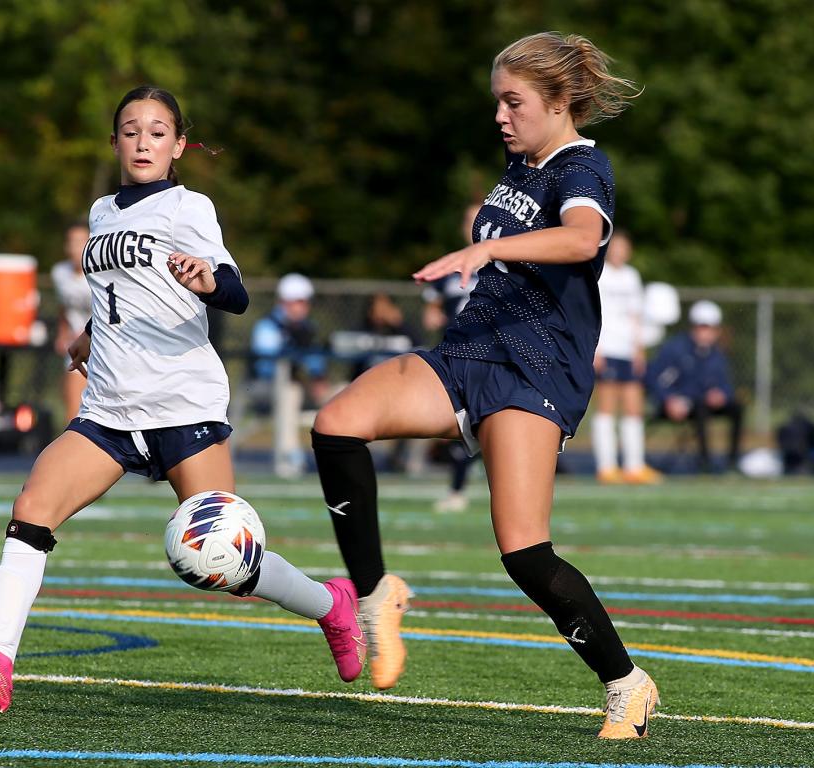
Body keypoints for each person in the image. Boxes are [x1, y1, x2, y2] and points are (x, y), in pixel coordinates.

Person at [0, 86, 365, 714]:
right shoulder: (101, 210)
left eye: (158, 132)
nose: (143, 142)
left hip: (182, 407)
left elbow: (238, 293)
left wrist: (209, 279)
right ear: (114, 142)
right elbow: (118, 294)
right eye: (131, 130)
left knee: (230, 563)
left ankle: (332, 605)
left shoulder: (188, 206)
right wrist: (89, 338)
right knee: (31, 511)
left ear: (179, 146)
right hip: (109, 409)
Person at [311, 33, 659, 739]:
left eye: (514, 101)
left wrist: (487, 246)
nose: (500, 115)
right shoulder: (520, 162)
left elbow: (582, 240)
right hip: (469, 350)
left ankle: (627, 683)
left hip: (534, 369)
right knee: (336, 422)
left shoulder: (581, 167)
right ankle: (377, 595)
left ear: (559, 104)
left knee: (524, 551)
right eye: (496, 101)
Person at [423, 204, 481, 512]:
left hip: (493, 359)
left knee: (483, 428)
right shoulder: (451, 265)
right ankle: (457, 490)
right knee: (466, 428)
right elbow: (431, 312)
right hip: (454, 357)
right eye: (469, 219)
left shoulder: (506, 262)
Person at [592, 230, 662, 484]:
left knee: (634, 407)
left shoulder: (632, 276)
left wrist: (638, 348)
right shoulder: (601, 275)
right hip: (607, 348)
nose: (620, 252)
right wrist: (596, 349)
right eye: (616, 247)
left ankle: (634, 465)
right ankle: (607, 466)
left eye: (624, 247)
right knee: (607, 407)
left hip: (627, 350)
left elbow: (635, 315)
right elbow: (595, 313)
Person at [647, 300, 743, 472]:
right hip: (681, 405)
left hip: (704, 405)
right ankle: (705, 461)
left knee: (736, 408)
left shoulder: (717, 354)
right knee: (700, 408)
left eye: (711, 328)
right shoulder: (675, 349)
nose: (706, 333)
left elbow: (725, 384)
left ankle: (732, 462)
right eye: (702, 327)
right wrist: (669, 399)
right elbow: (655, 379)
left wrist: (721, 394)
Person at [250, 272, 330, 408]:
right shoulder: (267, 327)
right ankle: (285, 430)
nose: (304, 308)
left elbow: (315, 362)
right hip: (265, 385)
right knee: (290, 392)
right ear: (284, 302)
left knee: (339, 392)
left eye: (305, 303)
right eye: (299, 302)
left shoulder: (307, 327)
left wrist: (318, 378)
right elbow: (266, 367)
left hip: (298, 384)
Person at [51, 220, 93, 424]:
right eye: (73, 242)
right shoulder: (60, 273)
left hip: (103, 344)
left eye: (81, 241)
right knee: (74, 410)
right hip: (77, 347)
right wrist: (62, 333)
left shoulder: (99, 272)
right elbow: (63, 308)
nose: (77, 248)